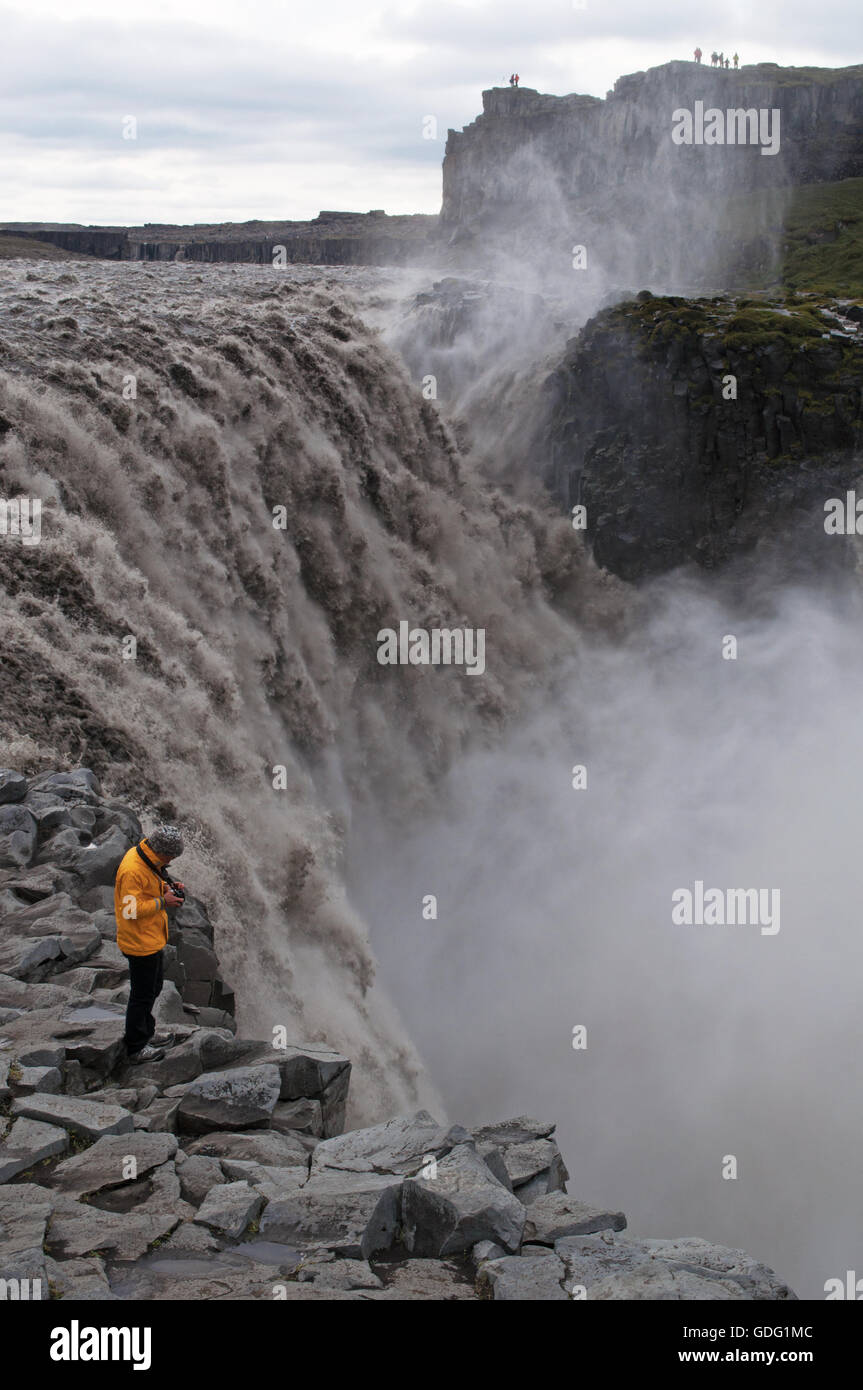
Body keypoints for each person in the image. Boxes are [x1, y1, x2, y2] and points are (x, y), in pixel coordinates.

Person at [115, 824, 186, 1064]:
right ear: (164, 852)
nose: (172, 861)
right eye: (172, 857)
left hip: (151, 938)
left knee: (153, 988)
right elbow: (129, 909)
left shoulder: (147, 856)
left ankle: (148, 1032)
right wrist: (162, 901)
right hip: (138, 943)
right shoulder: (132, 870)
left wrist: (167, 887)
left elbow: (146, 887)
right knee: (142, 995)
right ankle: (136, 1047)